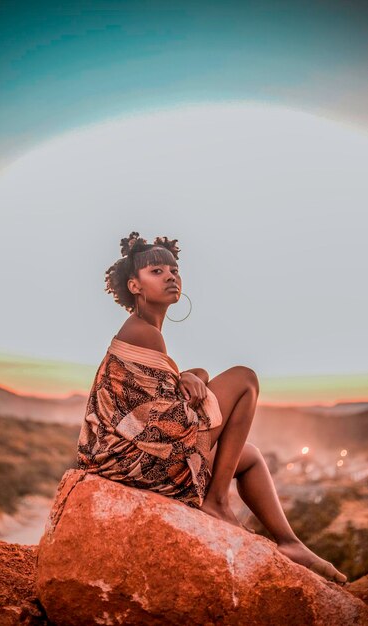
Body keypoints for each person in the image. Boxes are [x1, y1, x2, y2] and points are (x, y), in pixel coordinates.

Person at [77, 231, 347, 585]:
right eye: (157, 271)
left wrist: (192, 374)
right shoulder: (143, 332)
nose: (171, 276)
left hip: (129, 457)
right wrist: (192, 378)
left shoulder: (144, 333)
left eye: (173, 270)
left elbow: (168, 390)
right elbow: (168, 415)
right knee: (245, 378)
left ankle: (290, 542)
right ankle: (216, 500)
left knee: (247, 456)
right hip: (132, 462)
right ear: (135, 285)